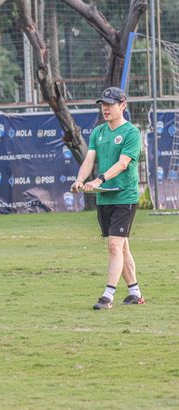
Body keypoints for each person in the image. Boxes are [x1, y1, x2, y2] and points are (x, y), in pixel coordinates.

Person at [71, 86, 145, 310]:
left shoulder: (131, 133)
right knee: (121, 248)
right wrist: (80, 180)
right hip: (104, 199)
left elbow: (123, 164)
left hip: (124, 197)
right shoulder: (98, 132)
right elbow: (89, 159)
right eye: (103, 104)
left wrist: (99, 180)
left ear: (122, 105)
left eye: (110, 104)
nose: (105, 108)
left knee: (114, 245)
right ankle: (135, 293)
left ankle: (107, 296)